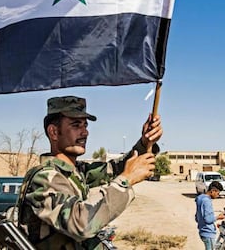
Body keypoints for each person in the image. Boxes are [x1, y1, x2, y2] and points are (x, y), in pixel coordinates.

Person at [16, 95, 162, 249]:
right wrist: (126, 180)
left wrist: (145, 142)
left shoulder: (77, 173)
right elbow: (81, 224)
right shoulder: (45, 178)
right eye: (76, 125)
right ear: (53, 132)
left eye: (85, 126)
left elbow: (118, 168)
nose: (85, 132)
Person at [195, 181, 225, 250]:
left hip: (202, 231)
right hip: (208, 233)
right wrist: (218, 217)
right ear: (212, 191)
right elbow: (208, 219)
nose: (218, 195)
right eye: (218, 193)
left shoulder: (200, 198)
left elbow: (197, 218)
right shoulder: (207, 201)